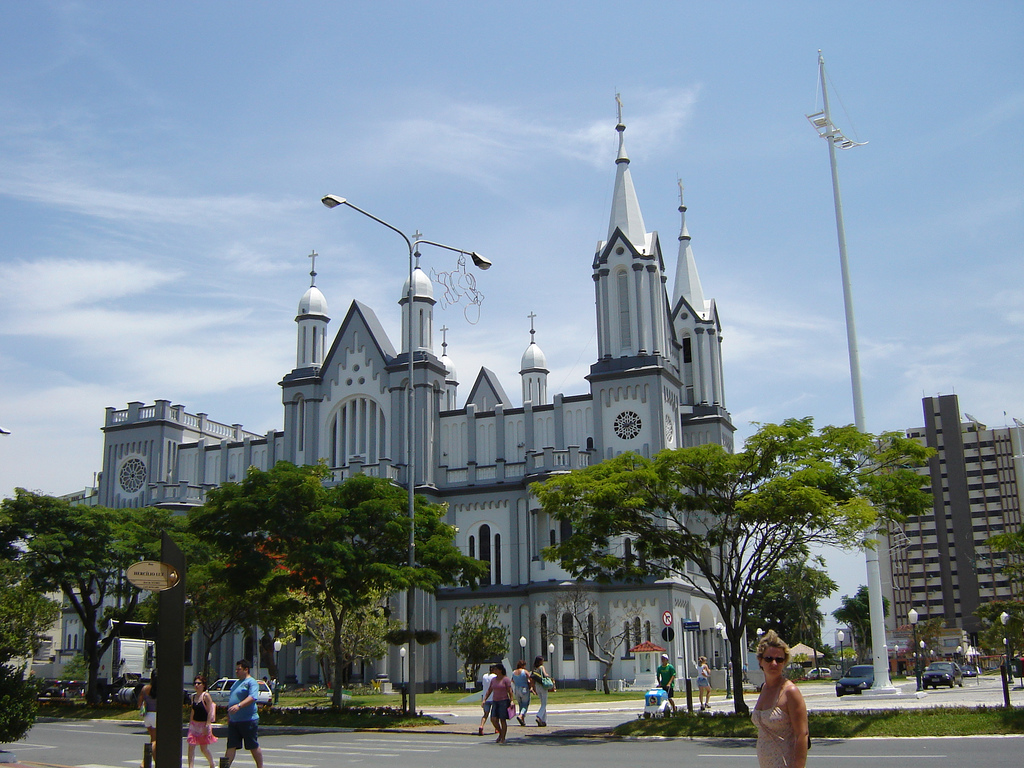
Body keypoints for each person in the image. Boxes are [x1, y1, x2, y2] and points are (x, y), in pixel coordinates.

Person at [751, 630, 808, 768]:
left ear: (784, 662)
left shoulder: (790, 692)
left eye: (779, 659)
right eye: (769, 659)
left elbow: (802, 735)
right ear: (760, 660)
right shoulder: (765, 688)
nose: (774, 663)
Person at [223, 659, 264, 768]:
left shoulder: (251, 682)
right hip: (234, 721)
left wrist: (239, 706)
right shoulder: (236, 683)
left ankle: (260, 766)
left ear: (246, 669)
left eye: (239, 669)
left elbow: (252, 697)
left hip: (248, 720)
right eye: (236, 669)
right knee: (231, 746)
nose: (236, 671)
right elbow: (232, 699)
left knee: (252, 745)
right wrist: (229, 716)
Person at [187, 675, 217, 768]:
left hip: (203, 725)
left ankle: (212, 764)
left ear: (203, 685)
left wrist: (208, 724)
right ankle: (190, 766)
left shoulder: (206, 696)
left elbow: (210, 711)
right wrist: (190, 723)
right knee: (191, 746)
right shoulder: (193, 697)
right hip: (194, 725)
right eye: (195, 683)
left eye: (199, 683)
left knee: (203, 748)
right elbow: (193, 710)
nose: (196, 685)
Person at [484, 663, 514, 744]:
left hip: (503, 701)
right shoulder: (493, 680)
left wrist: (511, 700)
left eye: (496, 669)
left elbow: (510, 691)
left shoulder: (505, 679)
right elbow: (489, 690)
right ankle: (501, 733)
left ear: (500, 670)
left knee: (502, 720)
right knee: (493, 719)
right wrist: (485, 699)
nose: (494, 671)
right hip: (495, 701)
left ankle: (503, 738)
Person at [137, 670, 157, 764]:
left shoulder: (145, 689)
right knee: (155, 741)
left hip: (148, 716)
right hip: (157, 716)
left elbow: (139, 703)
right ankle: (144, 763)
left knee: (153, 738)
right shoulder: (161, 688)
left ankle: (153, 761)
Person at [530, 655, 555, 726]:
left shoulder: (534, 669)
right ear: (540, 661)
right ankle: (539, 716)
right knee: (544, 704)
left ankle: (543, 721)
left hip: (537, 686)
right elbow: (545, 674)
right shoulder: (541, 667)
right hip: (543, 686)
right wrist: (549, 677)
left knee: (542, 703)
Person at [511, 659, 534, 726]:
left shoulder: (514, 672)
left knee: (520, 704)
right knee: (525, 704)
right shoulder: (525, 671)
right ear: (523, 665)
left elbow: (512, 680)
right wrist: (531, 686)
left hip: (517, 689)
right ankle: (521, 716)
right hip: (524, 688)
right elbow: (530, 678)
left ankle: (522, 720)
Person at [478, 663, 498, 736]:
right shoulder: (495, 677)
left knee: (485, 714)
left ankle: (481, 726)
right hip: (493, 697)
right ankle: (496, 728)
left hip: (485, 698)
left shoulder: (484, 676)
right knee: (495, 715)